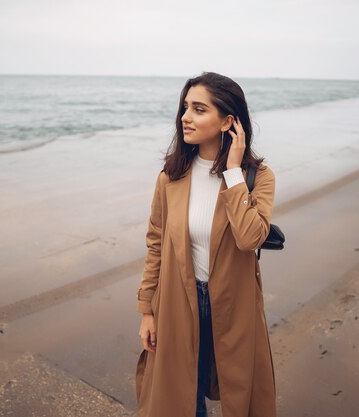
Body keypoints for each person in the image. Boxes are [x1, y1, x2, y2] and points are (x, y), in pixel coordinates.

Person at [135, 72, 277, 417]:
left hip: (233, 304)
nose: (186, 117)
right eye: (185, 107)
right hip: (177, 301)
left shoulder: (258, 177)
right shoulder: (171, 176)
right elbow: (156, 245)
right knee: (183, 396)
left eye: (199, 109)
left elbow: (250, 238)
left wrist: (232, 173)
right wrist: (147, 310)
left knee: (238, 392)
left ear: (228, 120)